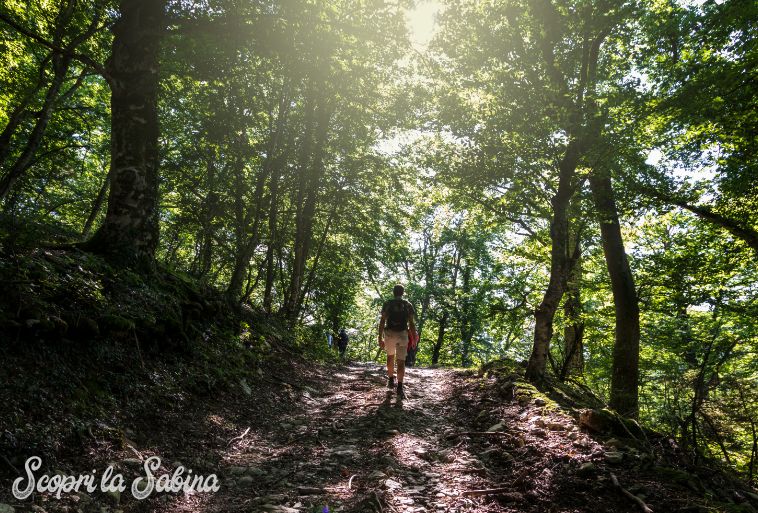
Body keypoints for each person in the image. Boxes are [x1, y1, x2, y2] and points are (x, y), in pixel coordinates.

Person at [378, 284, 416, 398]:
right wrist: (413, 338)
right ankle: (400, 386)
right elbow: (411, 323)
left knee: (390, 356)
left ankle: (390, 380)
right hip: (403, 334)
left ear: (393, 292)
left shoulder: (388, 304)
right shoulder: (408, 304)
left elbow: (382, 321)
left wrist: (380, 337)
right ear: (402, 292)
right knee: (401, 361)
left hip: (389, 333)